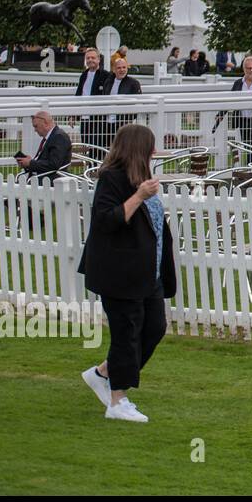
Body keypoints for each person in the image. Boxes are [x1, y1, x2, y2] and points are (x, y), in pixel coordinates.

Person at [77, 123, 176, 423]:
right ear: (137, 150)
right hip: (119, 272)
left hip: (148, 274)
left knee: (155, 327)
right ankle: (117, 401)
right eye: (150, 147)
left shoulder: (141, 177)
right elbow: (106, 220)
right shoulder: (112, 179)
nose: (154, 152)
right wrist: (139, 197)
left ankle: (104, 373)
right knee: (126, 333)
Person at [15, 110, 72, 182]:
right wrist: (29, 162)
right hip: (41, 178)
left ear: (45, 123)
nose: (35, 130)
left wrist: (30, 163)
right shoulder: (51, 137)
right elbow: (46, 161)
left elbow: (54, 164)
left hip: (50, 180)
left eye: (36, 126)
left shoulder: (59, 137)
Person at [74, 46, 111, 151]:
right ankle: (90, 166)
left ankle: (98, 167)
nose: (90, 60)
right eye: (88, 58)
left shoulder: (106, 75)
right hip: (85, 117)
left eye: (93, 58)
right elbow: (79, 94)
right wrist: (73, 114)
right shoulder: (84, 75)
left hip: (99, 118)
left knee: (98, 147)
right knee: (86, 146)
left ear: (98, 59)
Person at [103, 57, 143, 143]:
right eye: (119, 68)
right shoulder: (108, 82)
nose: (122, 70)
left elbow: (138, 103)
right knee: (107, 146)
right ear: (114, 69)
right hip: (108, 121)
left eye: (124, 67)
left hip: (124, 122)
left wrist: (128, 119)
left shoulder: (133, 83)